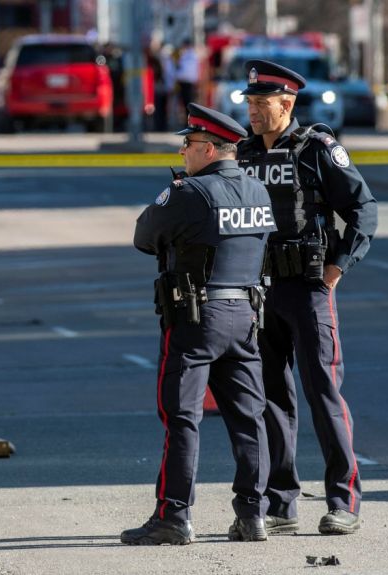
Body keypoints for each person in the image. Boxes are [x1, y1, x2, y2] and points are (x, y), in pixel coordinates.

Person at [123, 103, 276, 546]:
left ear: (209, 149)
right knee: (249, 419)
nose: (183, 151)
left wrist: (174, 197)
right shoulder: (258, 191)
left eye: (187, 144)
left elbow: (142, 237)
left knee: (182, 418)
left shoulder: (189, 193)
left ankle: (174, 516)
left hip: (195, 318)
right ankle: (253, 515)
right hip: (245, 317)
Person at [237, 60, 378, 536]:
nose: (253, 111)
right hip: (259, 293)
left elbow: (363, 208)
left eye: (261, 103)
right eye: (250, 103)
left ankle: (344, 501)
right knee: (271, 398)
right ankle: (281, 503)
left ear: (287, 103)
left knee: (323, 394)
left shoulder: (316, 149)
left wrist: (339, 267)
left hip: (308, 289)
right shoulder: (242, 154)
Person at [174, 41, 199, 119]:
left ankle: (189, 119)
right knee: (188, 103)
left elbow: (183, 70)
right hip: (187, 82)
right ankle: (188, 119)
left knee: (188, 103)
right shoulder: (190, 55)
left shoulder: (187, 56)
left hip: (187, 82)